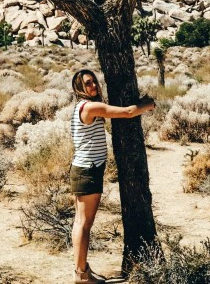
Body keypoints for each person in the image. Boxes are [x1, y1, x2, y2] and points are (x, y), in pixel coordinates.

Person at [69, 69, 156, 284]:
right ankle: (81, 274)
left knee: (81, 222)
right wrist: (148, 104)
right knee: (83, 223)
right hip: (88, 170)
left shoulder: (82, 107)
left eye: (95, 83)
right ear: (79, 88)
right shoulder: (89, 106)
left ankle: (82, 271)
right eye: (88, 84)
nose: (94, 87)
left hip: (85, 168)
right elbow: (127, 112)